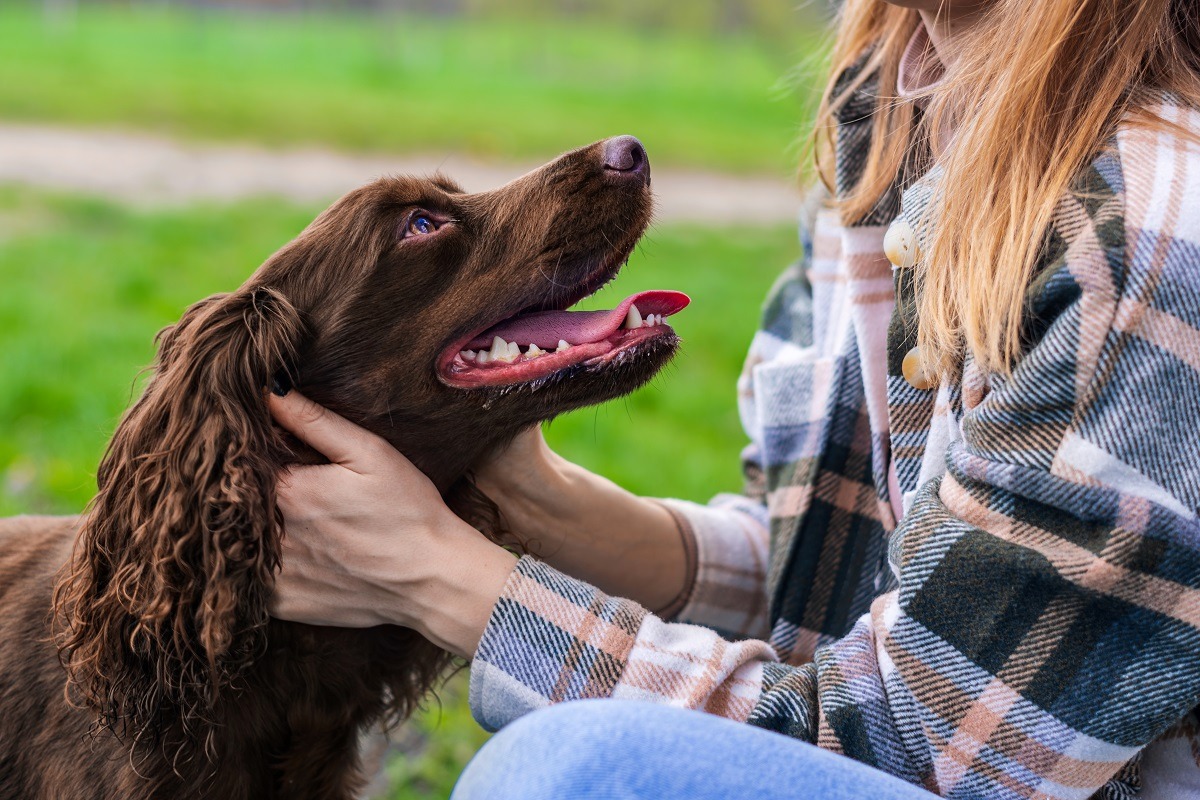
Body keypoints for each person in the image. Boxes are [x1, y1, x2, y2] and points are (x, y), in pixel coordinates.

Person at [266, 0, 1200, 797]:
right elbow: (832, 569)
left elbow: (927, 750)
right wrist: (531, 508)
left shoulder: (1149, 233)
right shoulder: (888, 117)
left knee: (576, 773)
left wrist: (445, 580)